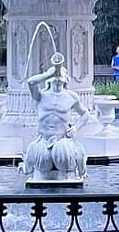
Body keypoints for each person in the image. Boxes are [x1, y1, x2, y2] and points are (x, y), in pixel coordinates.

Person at [20, 53, 89, 181]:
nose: (58, 75)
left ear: (66, 79)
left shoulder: (71, 97)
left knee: (64, 156)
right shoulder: (41, 95)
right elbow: (31, 82)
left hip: (62, 141)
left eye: (61, 73)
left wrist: (76, 128)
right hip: (43, 141)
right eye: (56, 73)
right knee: (41, 162)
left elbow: (85, 114)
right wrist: (49, 73)